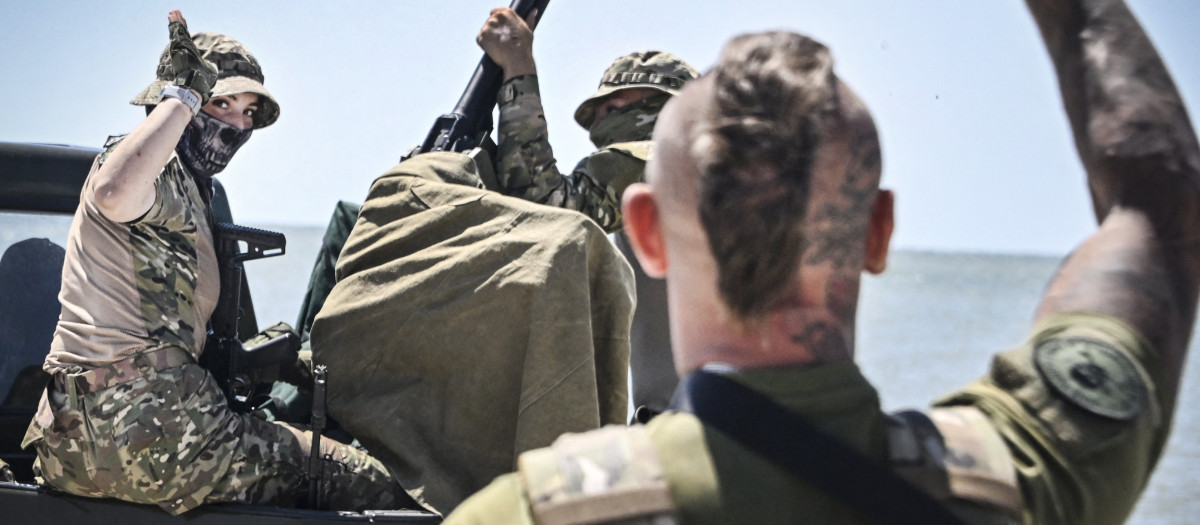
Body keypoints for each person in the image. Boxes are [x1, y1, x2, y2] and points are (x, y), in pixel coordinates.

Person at [444, 0, 1200, 522]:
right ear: (878, 235)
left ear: (647, 230)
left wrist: (518, 76)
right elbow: (1160, 208)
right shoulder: (1020, 482)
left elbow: (546, 206)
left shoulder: (533, 510)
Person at [20, 11, 409, 514]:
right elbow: (115, 192)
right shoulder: (153, 173)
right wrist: (181, 96)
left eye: (248, 112)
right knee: (377, 484)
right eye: (220, 101)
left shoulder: (194, 194)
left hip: (69, 445)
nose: (236, 124)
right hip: (159, 439)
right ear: (180, 98)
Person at [478, 7, 699, 418]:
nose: (601, 113)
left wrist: (518, 67)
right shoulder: (712, 178)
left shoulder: (655, 162)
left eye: (616, 100)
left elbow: (546, 208)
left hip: (685, 429)